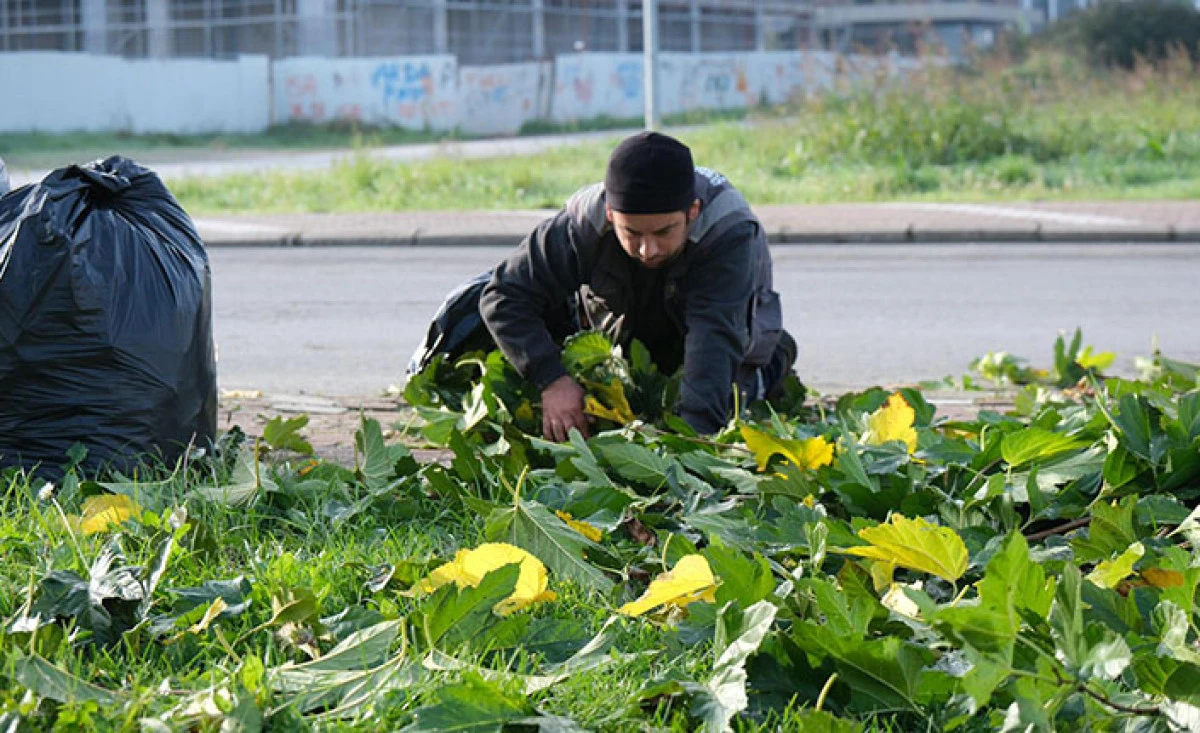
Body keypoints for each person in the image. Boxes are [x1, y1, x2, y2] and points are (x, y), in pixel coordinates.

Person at [477, 131, 796, 441]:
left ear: (692, 212)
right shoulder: (582, 223)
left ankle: (775, 359)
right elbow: (503, 295)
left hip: (716, 333)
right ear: (610, 214)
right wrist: (552, 379)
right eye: (632, 233)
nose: (648, 250)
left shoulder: (727, 231)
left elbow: (714, 336)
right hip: (624, 338)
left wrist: (691, 443)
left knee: (725, 404)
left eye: (663, 233)